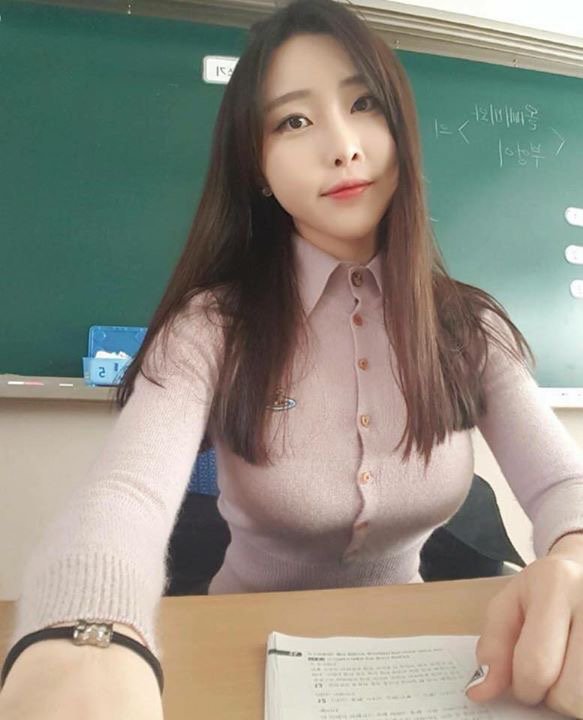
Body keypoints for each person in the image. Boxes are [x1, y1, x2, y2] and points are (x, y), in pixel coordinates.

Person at [2, 1, 583, 717]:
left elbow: (563, 481)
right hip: (238, 646)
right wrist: (85, 635)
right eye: (294, 121)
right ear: (256, 165)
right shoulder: (212, 326)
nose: (342, 148)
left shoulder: (467, 326)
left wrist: (573, 556)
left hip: (413, 650)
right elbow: (126, 493)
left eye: (363, 105)